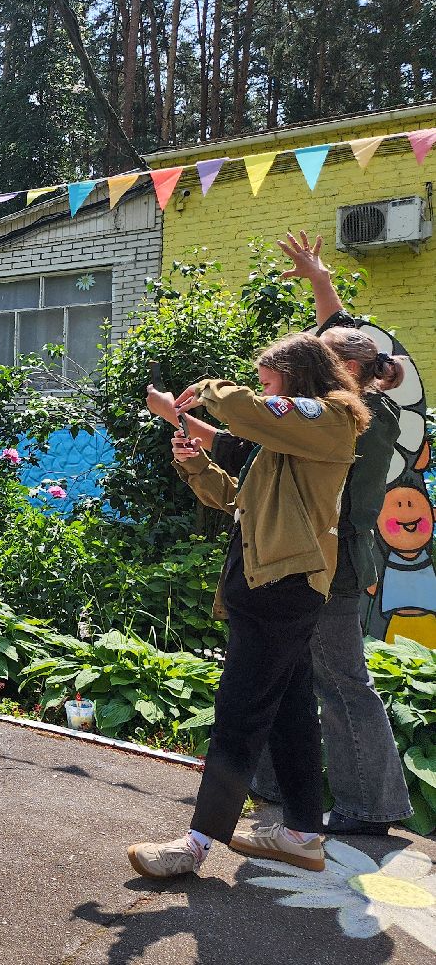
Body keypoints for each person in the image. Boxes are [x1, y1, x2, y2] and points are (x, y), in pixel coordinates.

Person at [129, 331, 368, 878]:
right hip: (270, 587)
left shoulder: (329, 419)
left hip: (279, 591)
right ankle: (303, 834)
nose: (262, 391)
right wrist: (195, 463)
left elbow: (250, 412)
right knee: (288, 714)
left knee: (238, 713)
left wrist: (205, 393)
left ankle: (195, 844)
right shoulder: (290, 444)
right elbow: (240, 502)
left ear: (296, 376)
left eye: (268, 381)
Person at [247, 231, 414, 834]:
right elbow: (338, 331)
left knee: (342, 681)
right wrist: (319, 279)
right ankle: (272, 786)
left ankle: (370, 806)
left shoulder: (355, 420)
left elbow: (334, 346)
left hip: (333, 564)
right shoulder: (353, 398)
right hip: (314, 558)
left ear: (342, 370)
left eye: (317, 357)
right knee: (283, 670)